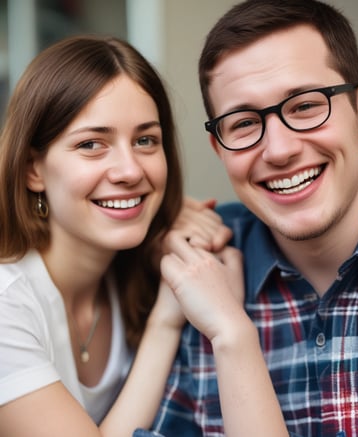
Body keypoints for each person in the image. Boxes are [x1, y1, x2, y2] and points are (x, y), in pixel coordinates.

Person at [146, 1, 358, 437]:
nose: (278, 150)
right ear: (221, 150)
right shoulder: (206, 271)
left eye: (306, 106)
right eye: (245, 123)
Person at [0, 34, 232, 437]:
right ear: (32, 170)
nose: (129, 170)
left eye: (145, 140)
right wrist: (165, 320)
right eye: (92, 144)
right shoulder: (6, 305)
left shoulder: (134, 269)